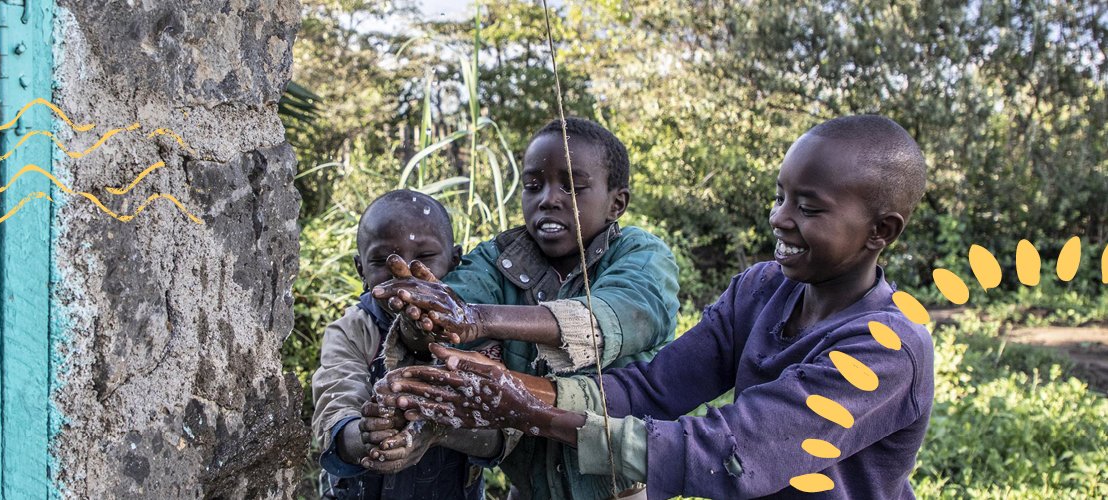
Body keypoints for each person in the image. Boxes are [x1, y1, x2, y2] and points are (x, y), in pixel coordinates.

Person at [382, 115, 935, 499]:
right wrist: (508, 392)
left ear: (880, 231)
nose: (779, 219)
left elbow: (734, 450)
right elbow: (654, 388)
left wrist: (530, 411)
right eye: (779, 196)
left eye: (808, 207)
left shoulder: (887, 348)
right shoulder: (762, 290)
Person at [373, 117, 681, 498]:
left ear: (616, 203)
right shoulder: (496, 259)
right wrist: (420, 315)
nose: (548, 199)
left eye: (573, 187)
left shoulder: (641, 255)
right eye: (533, 186)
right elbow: (448, 306)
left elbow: (607, 317)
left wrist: (478, 318)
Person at [310, 189, 500, 499]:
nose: (406, 274)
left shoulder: (475, 333)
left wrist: (438, 429)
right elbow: (335, 417)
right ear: (361, 269)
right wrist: (370, 434)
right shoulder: (353, 331)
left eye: (424, 258)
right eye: (385, 261)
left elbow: (501, 436)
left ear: (455, 261)